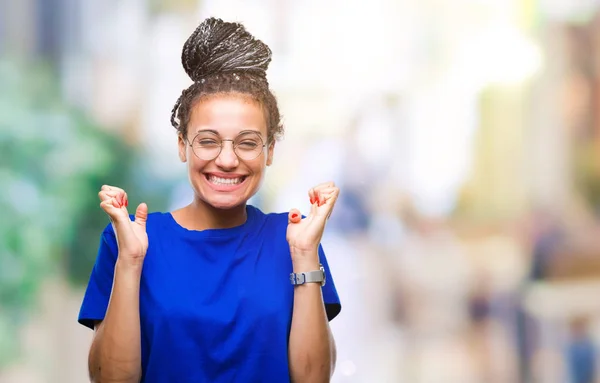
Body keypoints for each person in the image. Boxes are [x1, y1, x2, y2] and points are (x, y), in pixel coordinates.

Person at [78, 17, 341, 383]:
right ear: (183, 145)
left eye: (247, 142)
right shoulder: (131, 240)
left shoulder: (295, 238)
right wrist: (130, 261)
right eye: (208, 140)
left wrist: (304, 256)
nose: (228, 159)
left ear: (269, 151)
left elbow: (313, 378)